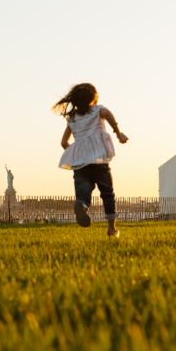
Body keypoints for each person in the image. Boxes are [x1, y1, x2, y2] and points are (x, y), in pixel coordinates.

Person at [53, 83, 128, 237]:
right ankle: (111, 229)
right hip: (99, 163)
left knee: (83, 194)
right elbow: (107, 113)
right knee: (107, 194)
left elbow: (63, 143)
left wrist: (77, 154)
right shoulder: (98, 110)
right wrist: (118, 132)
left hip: (80, 166)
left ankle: (81, 205)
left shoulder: (72, 118)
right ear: (93, 98)